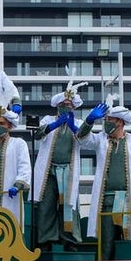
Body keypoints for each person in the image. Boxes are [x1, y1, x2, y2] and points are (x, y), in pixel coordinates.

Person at [77, 100, 131, 261]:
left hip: (127, 199)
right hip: (106, 199)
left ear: (120, 122)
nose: (107, 123)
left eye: (110, 119)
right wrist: (89, 120)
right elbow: (81, 138)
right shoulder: (100, 140)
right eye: (106, 119)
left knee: (127, 236)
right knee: (107, 238)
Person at [31, 81, 87, 250]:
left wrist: (72, 126)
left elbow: (85, 139)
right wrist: (54, 125)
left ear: (74, 107)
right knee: (47, 204)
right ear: (57, 106)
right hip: (49, 170)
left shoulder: (78, 122)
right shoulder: (48, 119)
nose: (66, 107)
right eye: (63, 104)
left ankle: (69, 240)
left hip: (68, 170)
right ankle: (46, 239)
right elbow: (38, 134)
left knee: (69, 205)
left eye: (69, 105)